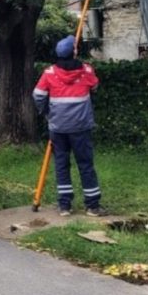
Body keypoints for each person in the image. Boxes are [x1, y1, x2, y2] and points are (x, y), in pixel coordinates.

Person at [32, 35, 107, 217]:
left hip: (58, 127)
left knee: (61, 165)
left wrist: (47, 112)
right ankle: (93, 206)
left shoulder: (49, 73)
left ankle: (64, 206)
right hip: (81, 127)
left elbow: (38, 95)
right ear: (74, 52)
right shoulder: (87, 71)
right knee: (86, 164)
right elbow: (95, 87)